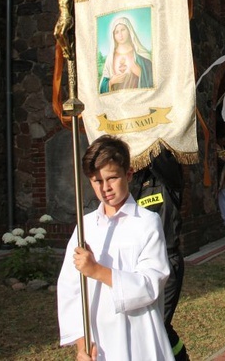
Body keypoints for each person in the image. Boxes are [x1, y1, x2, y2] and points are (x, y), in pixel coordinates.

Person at [57, 135, 174, 360]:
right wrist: (81, 343)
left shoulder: (147, 222)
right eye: (96, 181)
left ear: (128, 174)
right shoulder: (85, 226)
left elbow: (151, 283)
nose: (105, 188)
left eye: (112, 178)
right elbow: (70, 289)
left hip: (137, 331)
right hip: (97, 336)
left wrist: (97, 271)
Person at [131, 147, 188, 360]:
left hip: (166, 261)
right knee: (152, 327)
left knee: (157, 325)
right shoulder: (132, 181)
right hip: (140, 266)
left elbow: (158, 153)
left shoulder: (169, 175)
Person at [99, 17, 154, 93]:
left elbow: (152, 80)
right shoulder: (111, 57)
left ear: (129, 31)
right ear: (113, 36)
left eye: (123, 30)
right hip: (118, 101)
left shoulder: (140, 53)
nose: (120, 35)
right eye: (116, 32)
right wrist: (111, 82)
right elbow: (102, 86)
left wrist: (139, 72)